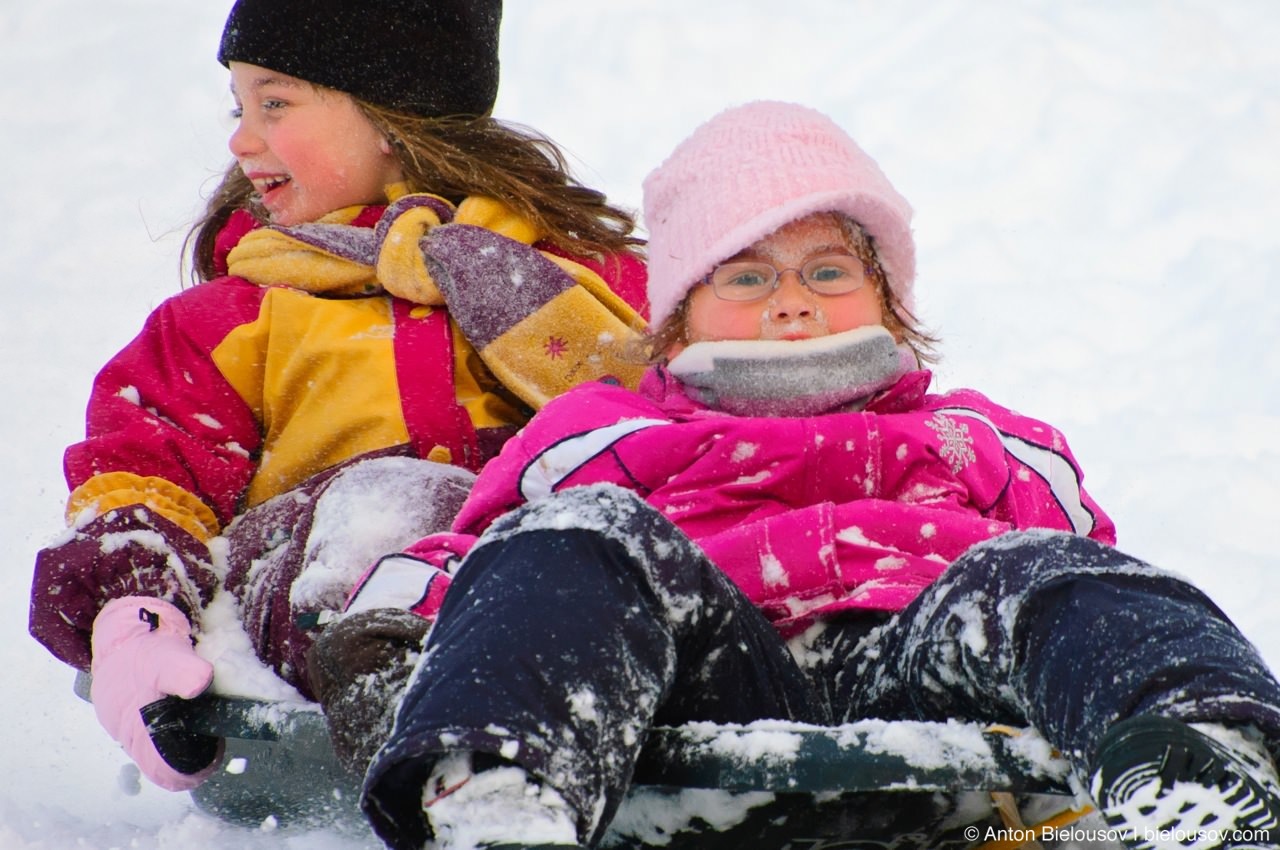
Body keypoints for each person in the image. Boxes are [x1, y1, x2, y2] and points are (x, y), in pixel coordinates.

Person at [347, 101, 1280, 850]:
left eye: (829, 270)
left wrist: (1099, 648)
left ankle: (1206, 764)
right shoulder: (600, 431)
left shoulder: (979, 437)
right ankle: (504, 796)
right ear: (677, 319)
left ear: (888, 299)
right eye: (746, 278)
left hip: (928, 680)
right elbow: (488, 557)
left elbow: (1090, 576)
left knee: (1035, 567)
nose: (792, 302)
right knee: (580, 533)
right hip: (702, 687)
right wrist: (385, 641)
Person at [28, 0, 649, 795]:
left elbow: (704, 421)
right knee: (393, 498)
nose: (240, 139)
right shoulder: (231, 319)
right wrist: (131, 618)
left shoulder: (584, 286)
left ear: (394, 116)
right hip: (323, 606)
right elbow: (148, 476)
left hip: (541, 595)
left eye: (275, 102)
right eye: (240, 106)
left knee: (591, 508)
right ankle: (419, 728)